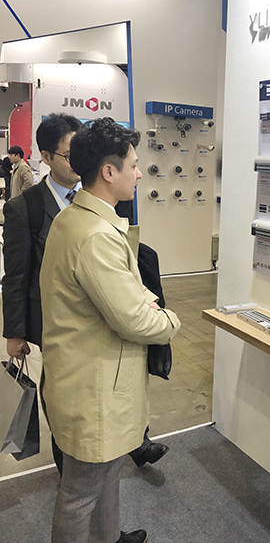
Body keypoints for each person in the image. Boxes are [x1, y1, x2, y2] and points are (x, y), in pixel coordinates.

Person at [40, 117, 181, 543]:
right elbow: (134, 318)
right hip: (94, 386)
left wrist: (140, 301)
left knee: (105, 479)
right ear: (108, 171)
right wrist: (169, 320)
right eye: (133, 166)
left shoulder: (75, 219)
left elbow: (124, 296)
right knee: (80, 493)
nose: (139, 174)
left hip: (93, 377)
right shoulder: (96, 235)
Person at [2, 113, 168, 475]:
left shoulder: (104, 198)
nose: (77, 160)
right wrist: (15, 333)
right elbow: (15, 276)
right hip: (56, 320)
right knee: (70, 405)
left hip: (106, 315)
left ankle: (133, 443)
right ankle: (72, 463)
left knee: (109, 388)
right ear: (46, 157)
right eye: (68, 153)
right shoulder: (27, 208)